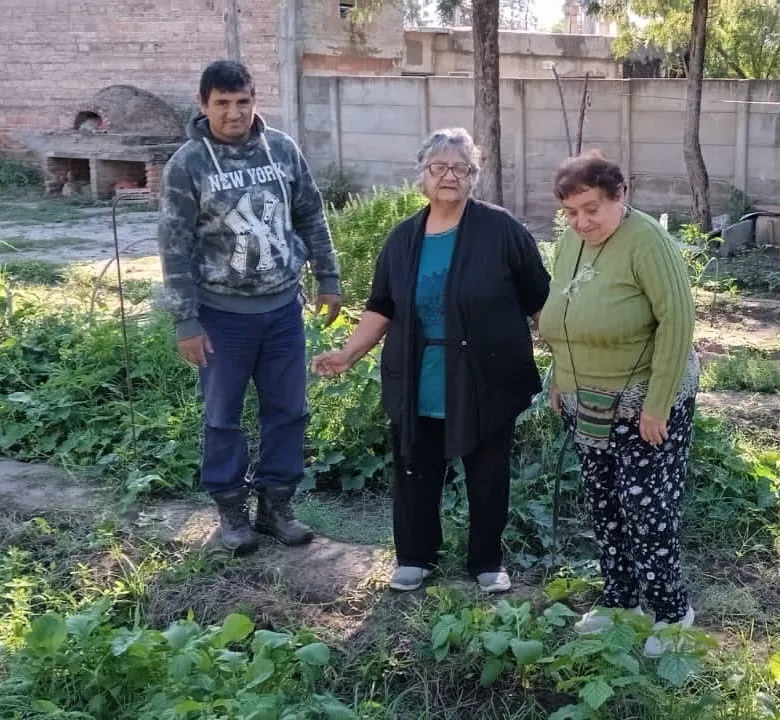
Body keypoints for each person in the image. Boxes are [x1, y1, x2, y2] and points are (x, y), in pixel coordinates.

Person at [311, 128, 550, 594]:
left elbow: (540, 300)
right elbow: (382, 307)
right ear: (422, 175)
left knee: (488, 472)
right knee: (414, 469)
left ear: (474, 176)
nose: (449, 176)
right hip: (418, 375)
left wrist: (569, 357)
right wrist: (348, 353)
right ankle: (415, 557)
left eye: (461, 168)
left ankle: (487, 561)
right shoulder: (404, 238)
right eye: (439, 167)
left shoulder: (502, 230)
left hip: (486, 374)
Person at [157, 60, 341, 556]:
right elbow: (173, 247)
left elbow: (310, 213)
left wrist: (328, 277)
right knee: (223, 417)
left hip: (282, 311)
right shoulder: (187, 165)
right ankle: (232, 511)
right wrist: (186, 320)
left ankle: (276, 507)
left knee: (289, 411)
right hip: (221, 317)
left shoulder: (281, 149)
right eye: (222, 103)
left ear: (254, 101)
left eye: (242, 101)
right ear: (203, 105)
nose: (234, 113)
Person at [538, 150, 699, 658]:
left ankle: (671, 614)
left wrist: (658, 404)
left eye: (592, 209)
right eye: (571, 212)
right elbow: (563, 315)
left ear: (620, 195)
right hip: (588, 400)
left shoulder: (647, 242)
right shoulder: (571, 242)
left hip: (643, 403)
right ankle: (621, 599)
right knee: (605, 502)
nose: (581, 222)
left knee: (646, 508)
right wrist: (561, 379)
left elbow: (678, 321)